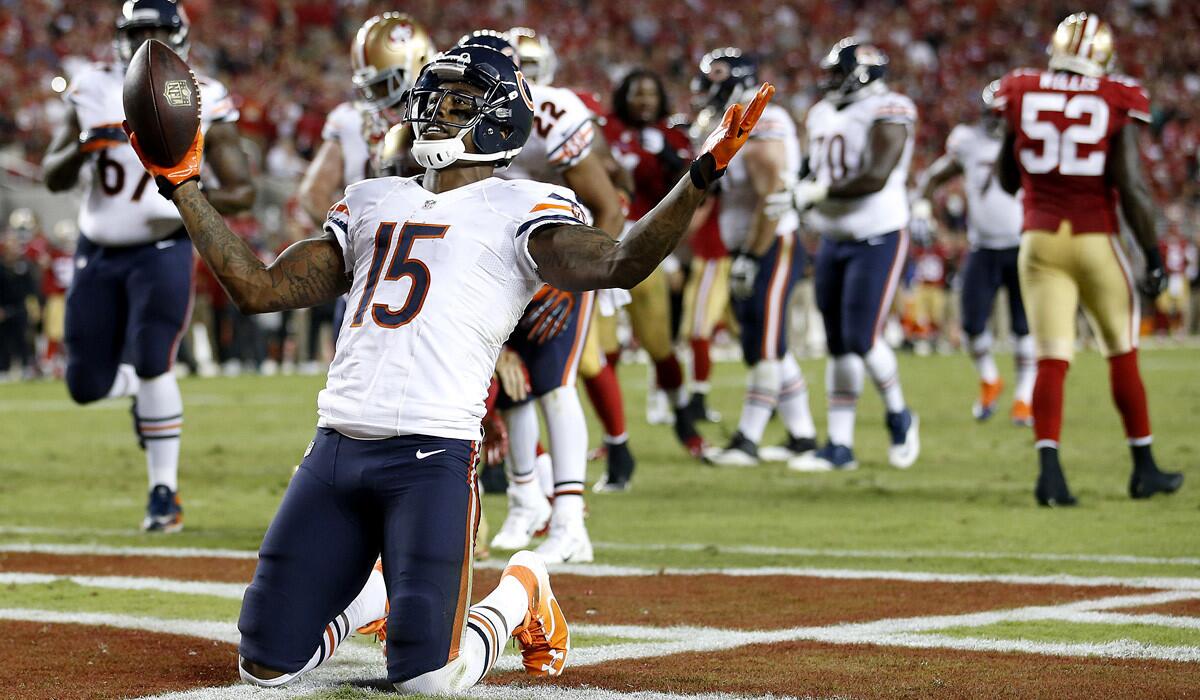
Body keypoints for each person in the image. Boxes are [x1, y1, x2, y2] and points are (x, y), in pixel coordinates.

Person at [123, 42, 773, 691]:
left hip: (431, 456)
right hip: (336, 449)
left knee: (429, 680)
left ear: (500, 118)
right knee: (263, 666)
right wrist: (181, 186)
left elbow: (622, 260)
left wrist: (701, 175)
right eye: (431, 98)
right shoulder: (371, 197)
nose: (436, 113)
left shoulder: (522, 205)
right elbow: (258, 289)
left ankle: (522, 591)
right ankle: (375, 600)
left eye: (459, 102)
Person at [40, 0, 254, 531]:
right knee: (85, 385)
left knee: (155, 356)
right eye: (139, 30)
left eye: (159, 29)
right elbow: (53, 175)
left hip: (162, 246)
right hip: (97, 249)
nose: (148, 39)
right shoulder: (91, 87)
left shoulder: (200, 91)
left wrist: (181, 194)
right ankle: (140, 392)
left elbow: (243, 190)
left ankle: (165, 493)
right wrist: (85, 147)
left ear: (179, 35)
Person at [994, 12, 1183, 504]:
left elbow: (1008, 178)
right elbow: (1133, 186)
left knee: (1051, 359)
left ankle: (1050, 476)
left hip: (1038, 241)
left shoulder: (1021, 88)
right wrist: (1152, 255)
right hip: (1093, 237)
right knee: (1121, 350)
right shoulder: (1115, 96)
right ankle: (1144, 468)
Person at [771, 38, 920, 472]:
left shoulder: (889, 108)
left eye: (838, 73)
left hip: (877, 233)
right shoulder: (820, 113)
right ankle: (840, 446)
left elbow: (875, 175)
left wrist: (817, 192)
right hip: (833, 236)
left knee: (861, 337)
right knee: (837, 344)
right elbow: (813, 166)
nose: (830, 81)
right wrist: (796, 184)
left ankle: (899, 413)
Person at [697, 48, 818, 468]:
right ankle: (802, 435)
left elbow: (771, 194)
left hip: (771, 244)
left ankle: (747, 439)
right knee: (765, 344)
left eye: (715, 80)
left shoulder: (765, 119)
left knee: (764, 346)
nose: (708, 90)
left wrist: (751, 254)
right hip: (752, 245)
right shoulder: (737, 117)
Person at [297, 12, 434, 346]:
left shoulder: (349, 119)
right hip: (428, 271)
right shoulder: (446, 114)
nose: (374, 97)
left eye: (384, 83)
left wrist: (358, 242)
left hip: (374, 275)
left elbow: (313, 196)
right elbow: (311, 195)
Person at [601, 67, 709, 469]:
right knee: (603, 350)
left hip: (645, 246)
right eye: (636, 93)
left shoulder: (673, 135)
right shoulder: (603, 129)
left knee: (658, 345)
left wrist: (670, 156)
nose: (644, 100)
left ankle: (684, 419)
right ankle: (613, 437)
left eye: (650, 93)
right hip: (602, 243)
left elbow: (690, 193)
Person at [915, 81, 1034, 424]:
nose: (997, 122)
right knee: (970, 325)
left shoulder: (1030, 140)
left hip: (1023, 244)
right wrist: (922, 209)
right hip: (982, 247)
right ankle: (990, 379)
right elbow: (934, 176)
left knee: (1024, 328)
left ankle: (1024, 398)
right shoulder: (968, 141)